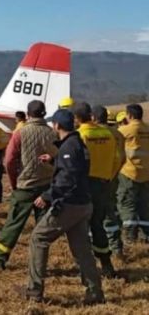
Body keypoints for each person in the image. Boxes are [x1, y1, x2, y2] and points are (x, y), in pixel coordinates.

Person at [26, 109, 104, 305]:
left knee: (38, 238)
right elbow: (76, 169)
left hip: (69, 204)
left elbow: (68, 178)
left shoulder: (69, 147)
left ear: (57, 126)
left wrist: (47, 196)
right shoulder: (78, 144)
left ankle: (34, 291)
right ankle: (95, 292)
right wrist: (54, 160)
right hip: (84, 204)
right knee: (82, 250)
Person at [0, 100, 58, 270]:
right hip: (47, 186)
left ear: (28, 115)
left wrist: (14, 182)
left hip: (25, 185)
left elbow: (9, 160)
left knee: (13, 224)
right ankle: (39, 264)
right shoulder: (53, 133)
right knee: (43, 229)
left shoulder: (20, 133)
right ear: (44, 113)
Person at [75, 102, 119, 277]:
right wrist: (108, 176)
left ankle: (86, 267)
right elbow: (116, 159)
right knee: (98, 224)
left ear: (77, 118)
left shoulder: (80, 135)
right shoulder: (107, 134)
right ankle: (107, 264)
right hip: (103, 183)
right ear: (91, 116)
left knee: (81, 227)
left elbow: (76, 164)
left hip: (85, 185)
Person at [92, 105, 126, 258]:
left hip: (94, 179)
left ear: (93, 117)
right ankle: (116, 247)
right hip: (111, 178)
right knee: (111, 212)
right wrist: (113, 174)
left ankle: (95, 247)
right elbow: (122, 158)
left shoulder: (92, 134)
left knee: (93, 215)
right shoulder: (118, 134)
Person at [117, 104, 149, 244]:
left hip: (129, 172)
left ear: (129, 116)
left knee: (127, 204)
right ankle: (145, 236)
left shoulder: (125, 130)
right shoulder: (147, 129)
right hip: (146, 173)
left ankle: (130, 238)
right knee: (144, 206)